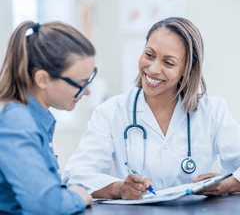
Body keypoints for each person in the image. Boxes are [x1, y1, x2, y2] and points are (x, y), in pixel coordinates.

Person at [62, 17, 240, 200]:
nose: (153, 69)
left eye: (168, 63)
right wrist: (120, 188)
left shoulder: (212, 111)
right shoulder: (111, 112)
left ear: (187, 69)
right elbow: (76, 175)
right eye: (149, 54)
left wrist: (229, 184)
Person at [0, 21, 97, 214]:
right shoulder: (18, 122)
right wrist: (75, 197)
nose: (86, 93)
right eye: (81, 84)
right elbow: (45, 203)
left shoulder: (33, 118)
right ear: (42, 79)